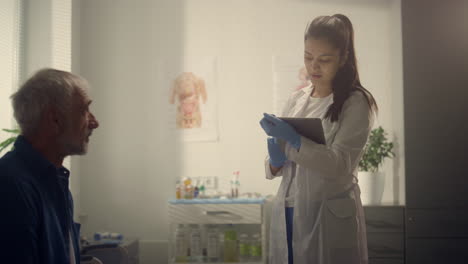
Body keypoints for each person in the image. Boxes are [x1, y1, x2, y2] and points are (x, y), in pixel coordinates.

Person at [259, 14, 377, 264]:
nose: (314, 67)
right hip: (288, 209)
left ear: (343, 58)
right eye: (308, 57)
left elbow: (338, 165)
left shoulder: (356, 103)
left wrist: (293, 142)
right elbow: (280, 165)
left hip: (327, 215)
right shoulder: (297, 99)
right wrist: (275, 159)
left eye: (324, 60)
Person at [0, 68, 99, 263]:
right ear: (54, 119)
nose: (94, 122)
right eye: (84, 110)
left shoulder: (56, 182)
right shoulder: (11, 186)